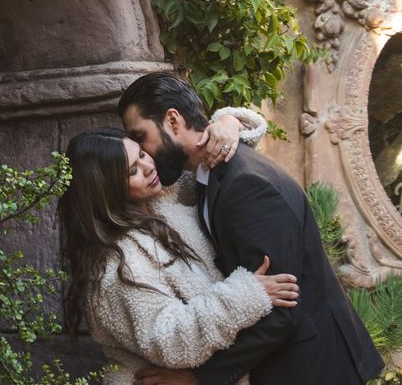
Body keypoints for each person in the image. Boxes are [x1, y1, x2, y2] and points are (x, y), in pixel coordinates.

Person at [118, 71, 383, 385]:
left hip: (311, 368)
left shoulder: (245, 184)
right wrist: (230, 119)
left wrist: (197, 378)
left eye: (139, 137)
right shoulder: (209, 173)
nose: (144, 153)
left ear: (172, 120)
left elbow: (283, 308)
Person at [58, 114, 299, 385]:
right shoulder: (115, 267)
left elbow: (210, 163)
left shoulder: (162, 201)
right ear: (105, 191)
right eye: (132, 171)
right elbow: (170, 341)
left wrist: (228, 123)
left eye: (142, 155)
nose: (148, 167)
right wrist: (247, 295)